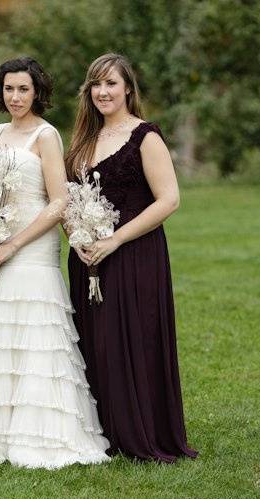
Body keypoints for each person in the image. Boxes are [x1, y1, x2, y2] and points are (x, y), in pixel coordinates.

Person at [0, 57, 110, 469]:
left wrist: (14, 245)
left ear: (37, 91)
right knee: (0, 337)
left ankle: (41, 437)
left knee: (35, 337)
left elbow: (59, 202)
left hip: (32, 249)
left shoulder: (46, 135)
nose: (16, 97)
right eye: (9, 89)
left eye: (23, 89)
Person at [65, 53, 197, 463]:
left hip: (134, 253)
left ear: (127, 89)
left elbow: (169, 199)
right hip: (87, 257)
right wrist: (77, 236)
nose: (103, 92)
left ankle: (140, 431)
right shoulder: (82, 141)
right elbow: (67, 200)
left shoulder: (146, 136)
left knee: (132, 339)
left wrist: (115, 240)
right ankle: (103, 429)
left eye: (111, 84)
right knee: (96, 342)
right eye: (96, 85)